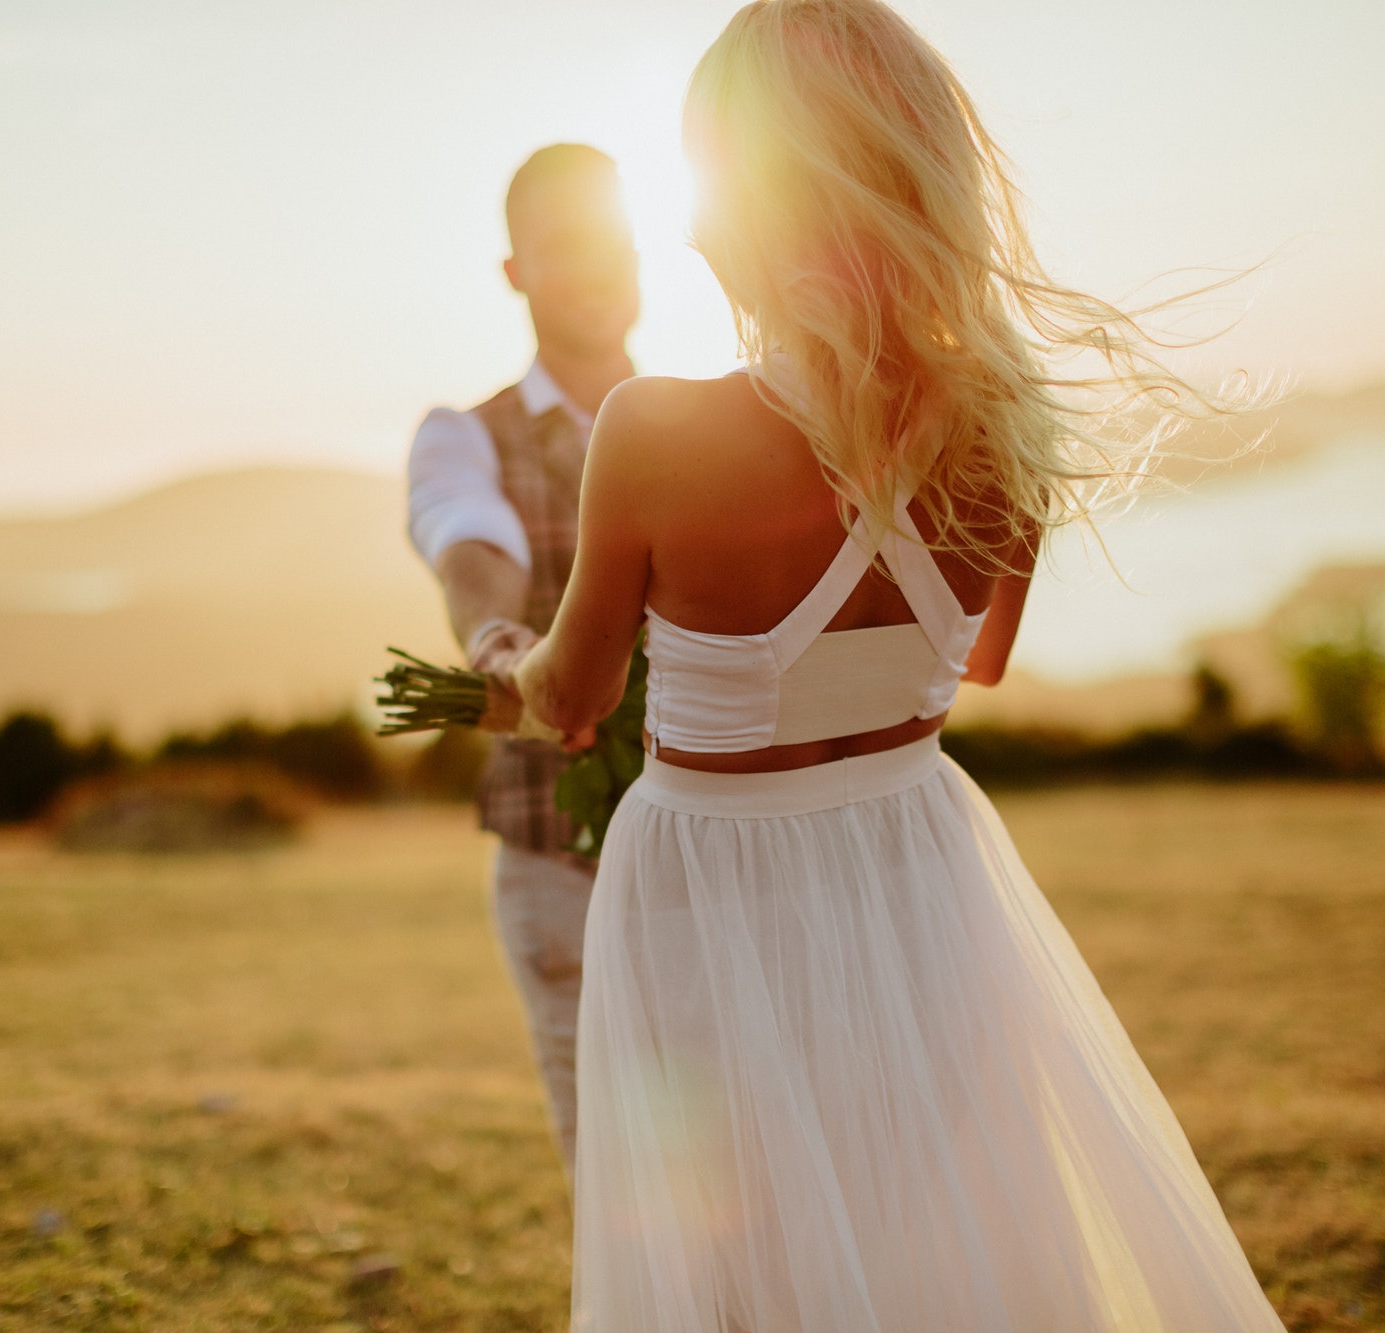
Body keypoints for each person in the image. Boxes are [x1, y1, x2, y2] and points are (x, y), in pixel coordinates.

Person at [512, 2, 1289, 1328]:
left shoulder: (652, 430)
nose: (692, 227)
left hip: (711, 881)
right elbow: (978, 660)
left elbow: (571, 702)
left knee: (742, 1256)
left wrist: (507, 658)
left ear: (756, 204)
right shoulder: (1005, 427)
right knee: (943, 1215)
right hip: (917, 866)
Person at [404, 143, 638, 1180]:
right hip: (560, 867)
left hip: (720, 856)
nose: (596, 267)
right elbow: (470, 540)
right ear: (514, 273)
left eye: (614, 239)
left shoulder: (705, 416)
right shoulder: (466, 436)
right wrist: (496, 642)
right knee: (615, 1182)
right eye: (563, 246)